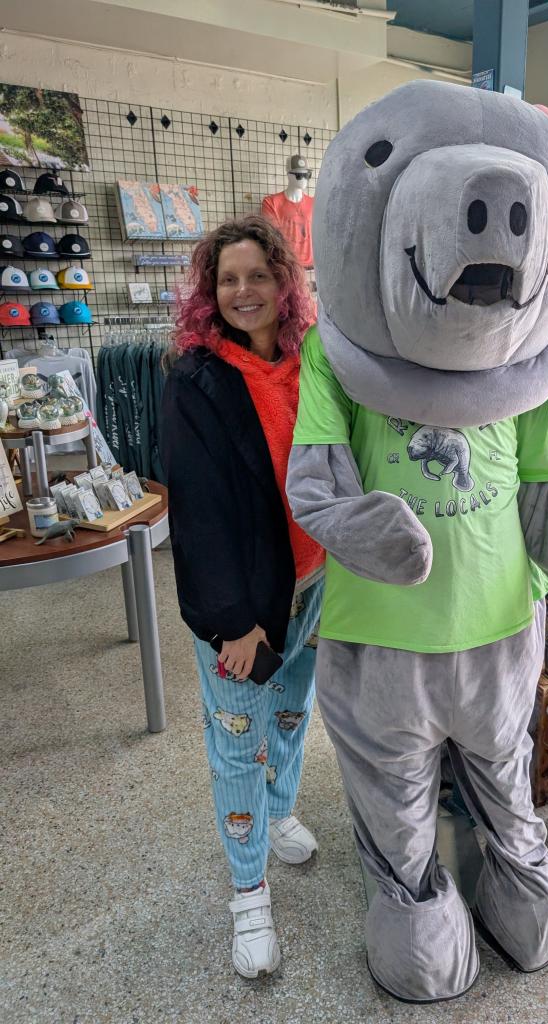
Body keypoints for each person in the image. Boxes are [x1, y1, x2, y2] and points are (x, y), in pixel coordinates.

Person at [161, 215, 323, 980]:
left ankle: (281, 809)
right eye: (228, 279)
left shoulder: (309, 361)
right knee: (236, 740)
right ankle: (248, 896)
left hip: (314, 581)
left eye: (258, 274)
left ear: (284, 281)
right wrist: (232, 623)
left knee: (290, 713)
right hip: (243, 605)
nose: (242, 290)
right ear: (209, 292)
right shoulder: (195, 380)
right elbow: (197, 513)